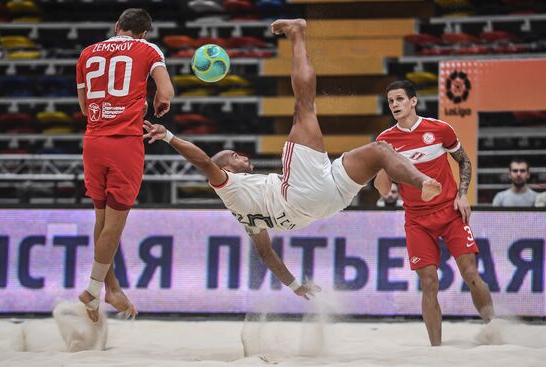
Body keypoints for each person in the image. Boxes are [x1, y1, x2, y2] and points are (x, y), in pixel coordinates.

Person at [143, 19, 442, 300]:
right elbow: (204, 162)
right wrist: (169, 136)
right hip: (300, 196)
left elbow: (266, 255)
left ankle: (422, 181)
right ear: (225, 171)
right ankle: (297, 32)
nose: (242, 156)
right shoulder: (228, 186)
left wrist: (297, 287)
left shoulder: (245, 216)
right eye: (234, 157)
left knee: (381, 150)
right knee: (304, 107)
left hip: (325, 205)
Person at [374, 80, 494, 346]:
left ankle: (493, 328)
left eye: (399, 99)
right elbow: (383, 189)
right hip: (417, 219)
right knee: (429, 283)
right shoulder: (385, 140)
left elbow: (464, 160)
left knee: (471, 274)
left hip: (449, 211)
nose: (394, 104)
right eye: (390, 101)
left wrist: (463, 195)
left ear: (413, 101)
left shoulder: (440, 129)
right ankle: (436, 351)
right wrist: (382, 163)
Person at [76, 8, 175, 322]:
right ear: (144, 32)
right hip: (124, 143)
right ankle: (93, 289)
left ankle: (111, 287)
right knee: (115, 224)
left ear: (117, 26)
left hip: (93, 141)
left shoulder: (87, 53)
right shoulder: (148, 50)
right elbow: (167, 91)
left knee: (102, 219)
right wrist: (160, 100)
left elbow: (84, 106)